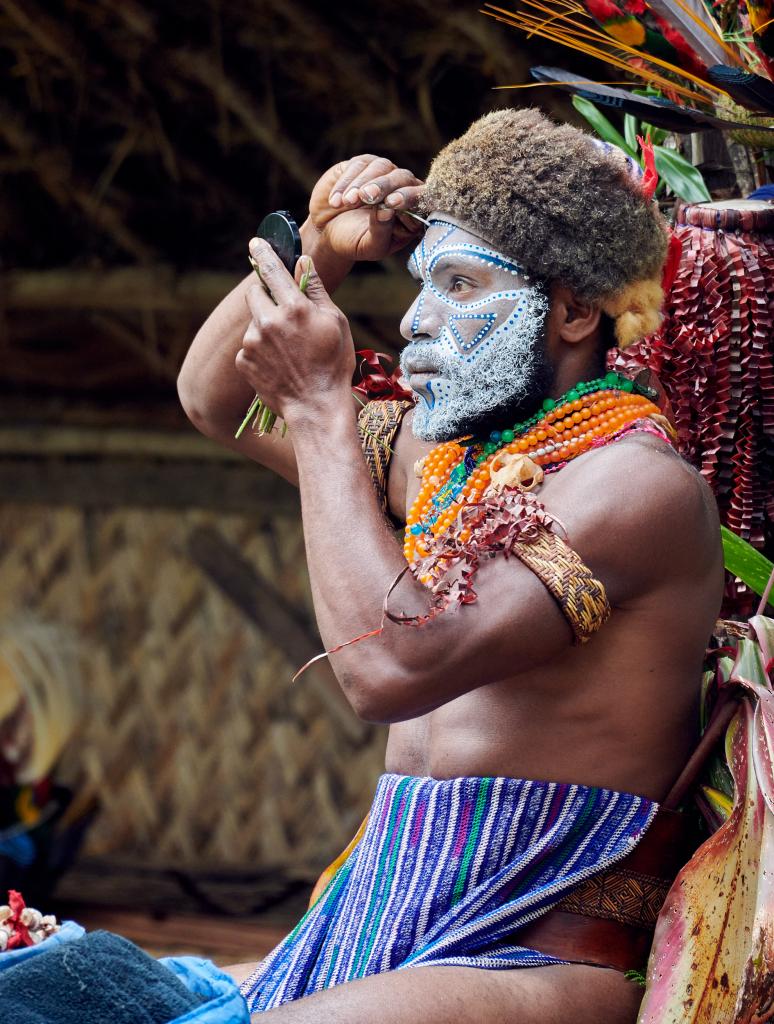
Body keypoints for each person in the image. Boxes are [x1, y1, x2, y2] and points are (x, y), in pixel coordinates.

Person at [178, 108, 724, 1024]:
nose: (421, 318)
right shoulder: (449, 465)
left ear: (574, 311)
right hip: (380, 928)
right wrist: (319, 251)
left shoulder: (636, 487)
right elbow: (215, 397)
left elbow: (391, 669)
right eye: (423, 282)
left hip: (530, 954)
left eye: (462, 285)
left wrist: (321, 411)